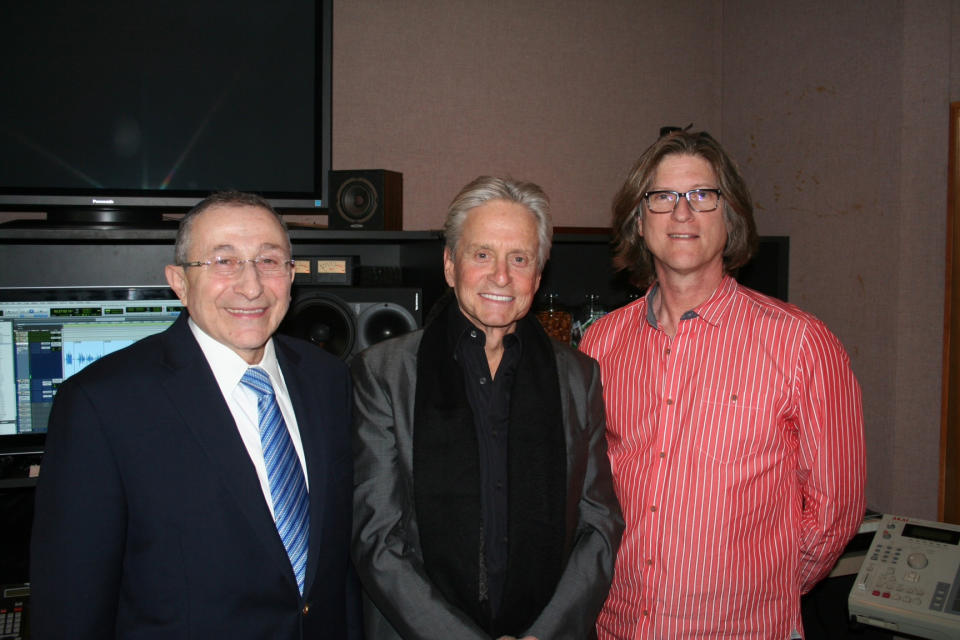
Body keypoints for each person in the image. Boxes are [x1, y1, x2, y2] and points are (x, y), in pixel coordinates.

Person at [30, 191, 361, 639]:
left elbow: (337, 567)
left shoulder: (327, 380)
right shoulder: (100, 404)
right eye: (223, 262)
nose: (251, 286)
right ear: (179, 281)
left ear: (291, 275)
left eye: (269, 261)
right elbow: (71, 605)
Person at [579, 130, 867, 638]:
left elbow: (834, 511)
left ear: (730, 216)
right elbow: (589, 491)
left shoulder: (801, 344)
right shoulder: (600, 344)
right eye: (663, 197)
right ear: (638, 220)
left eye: (702, 195)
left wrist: (760, 588)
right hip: (617, 625)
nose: (682, 214)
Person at [351, 176, 624, 640]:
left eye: (519, 259)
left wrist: (547, 634)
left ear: (537, 277)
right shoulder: (384, 372)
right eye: (482, 255)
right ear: (450, 265)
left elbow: (598, 524)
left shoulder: (579, 377)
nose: (502, 276)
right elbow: (377, 539)